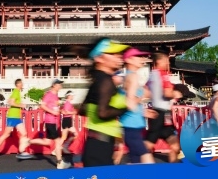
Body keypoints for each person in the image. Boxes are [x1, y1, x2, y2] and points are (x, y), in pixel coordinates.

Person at [79, 38, 130, 167]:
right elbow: (102, 113)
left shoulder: (99, 80)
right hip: (100, 147)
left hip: (98, 144)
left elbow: (82, 109)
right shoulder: (105, 81)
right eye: (113, 54)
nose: (119, 57)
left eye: (119, 54)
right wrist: (127, 108)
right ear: (99, 58)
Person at [119, 47, 156, 164]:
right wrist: (141, 97)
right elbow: (129, 103)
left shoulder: (129, 76)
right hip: (131, 127)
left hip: (133, 126)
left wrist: (143, 112)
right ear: (129, 60)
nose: (142, 59)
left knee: (136, 161)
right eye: (138, 57)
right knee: (148, 161)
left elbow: (128, 101)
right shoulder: (132, 77)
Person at [144, 53, 183, 163]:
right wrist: (176, 93)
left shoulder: (151, 75)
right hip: (160, 114)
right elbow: (167, 93)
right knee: (148, 145)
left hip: (160, 113)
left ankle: (174, 168)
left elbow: (145, 92)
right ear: (159, 62)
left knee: (175, 145)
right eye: (166, 61)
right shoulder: (163, 74)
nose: (168, 63)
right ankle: (138, 164)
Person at [28, 79, 71, 169]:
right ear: (54, 85)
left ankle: (28, 141)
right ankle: (60, 163)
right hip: (50, 121)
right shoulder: (49, 94)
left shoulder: (55, 95)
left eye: (61, 85)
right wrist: (53, 112)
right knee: (58, 141)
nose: (60, 86)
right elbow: (42, 105)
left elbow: (54, 107)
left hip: (53, 122)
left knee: (47, 141)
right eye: (59, 84)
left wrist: (60, 110)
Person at [0, 79, 33, 160]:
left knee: (24, 133)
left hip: (17, 117)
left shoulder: (17, 92)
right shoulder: (16, 91)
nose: (22, 84)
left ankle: (21, 151)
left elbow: (9, 101)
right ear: (18, 84)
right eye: (21, 83)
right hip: (12, 116)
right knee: (6, 135)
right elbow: (11, 103)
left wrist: (18, 104)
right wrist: (21, 105)